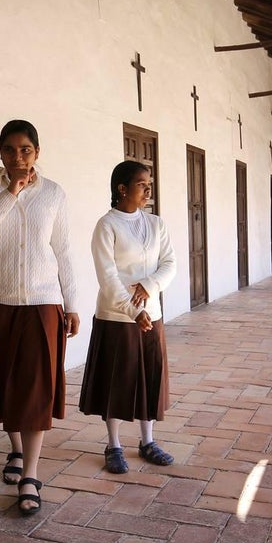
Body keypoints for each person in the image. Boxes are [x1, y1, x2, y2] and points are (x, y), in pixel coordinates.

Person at [0, 120, 79, 516]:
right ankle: (14, 450)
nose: (17, 157)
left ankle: (30, 473)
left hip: (42, 303)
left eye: (25, 149)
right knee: (3, 384)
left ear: (37, 152)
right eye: (10, 149)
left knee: (35, 389)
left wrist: (72, 303)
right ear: (0, 153)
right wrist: (10, 193)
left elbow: (64, 252)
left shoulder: (54, 194)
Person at [79, 160, 177, 474]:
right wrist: (134, 311)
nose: (148, 189)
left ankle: (147, 442)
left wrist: (149, 287)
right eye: (141, 183)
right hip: (116, 316)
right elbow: (108, 277)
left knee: (149, 376)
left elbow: (170, 263)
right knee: (117, 381)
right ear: (122, 188)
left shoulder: (156, 223)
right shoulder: (106, 225)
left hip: (153, 313)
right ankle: (114, 445)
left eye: (149, 183)